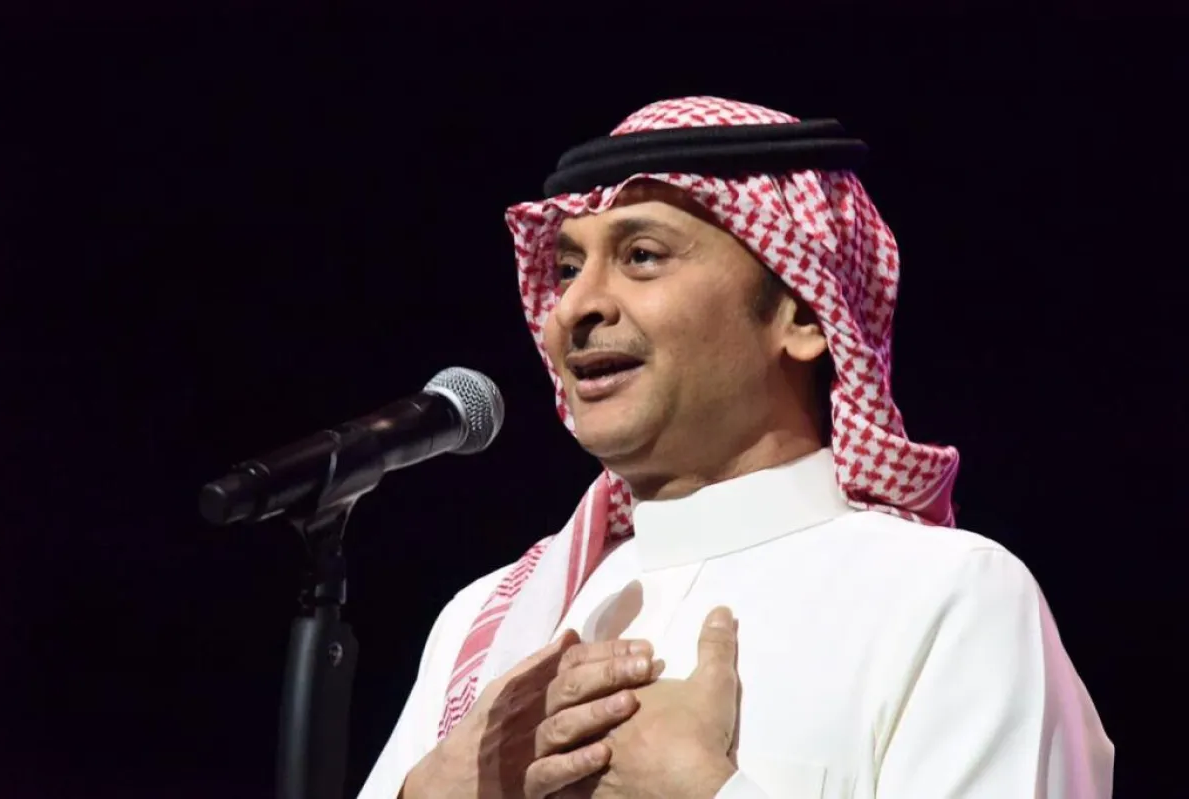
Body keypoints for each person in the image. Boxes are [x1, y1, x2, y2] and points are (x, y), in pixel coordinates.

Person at [357, 96, 1114, 798]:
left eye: (643, 255)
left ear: (804, 314)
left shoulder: (946, 598)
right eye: (566, 269)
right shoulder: (484, 623)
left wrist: (707, 790)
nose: (576, 307)